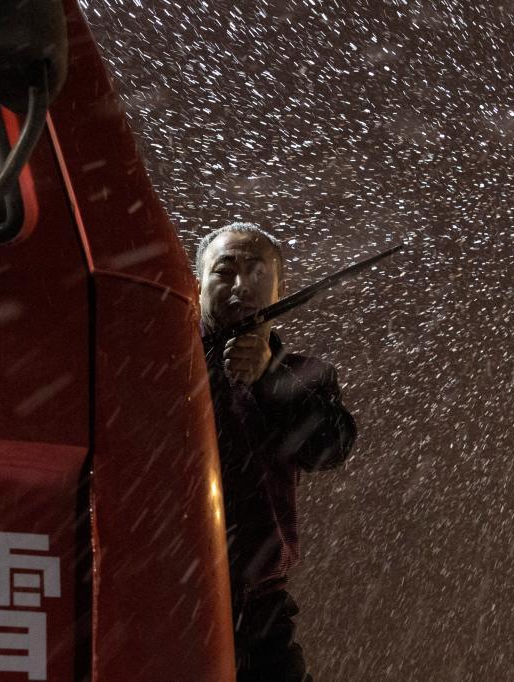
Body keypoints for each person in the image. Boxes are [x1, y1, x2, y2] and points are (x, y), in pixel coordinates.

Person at [196, 222, 357, 682]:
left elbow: (331, 447)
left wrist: (269, 376)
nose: (241, 285)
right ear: (196, 283)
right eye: (224, 270)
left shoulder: (306, 375)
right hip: (161, 599)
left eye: (257, 271)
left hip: (259, 612)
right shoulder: (163, 361)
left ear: (280, 288)